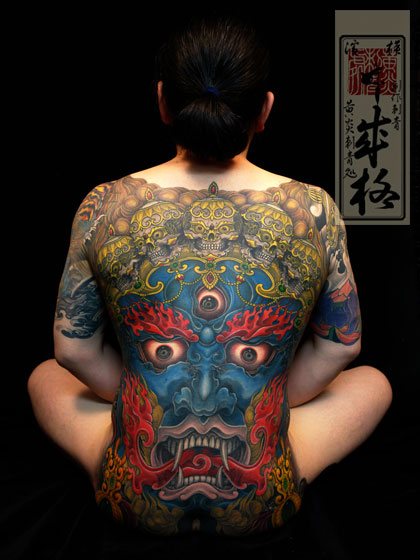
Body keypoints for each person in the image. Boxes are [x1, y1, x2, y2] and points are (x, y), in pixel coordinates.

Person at [27, 15, 392, 538]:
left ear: (162, 102)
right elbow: (341, 346)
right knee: (374, 382)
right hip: (266, 492)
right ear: (264, 109)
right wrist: (260, 404)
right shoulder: (314, 209)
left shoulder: (104, 205)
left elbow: (74, 351)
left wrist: (142, 399)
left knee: (45, 373)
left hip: (131, 491)